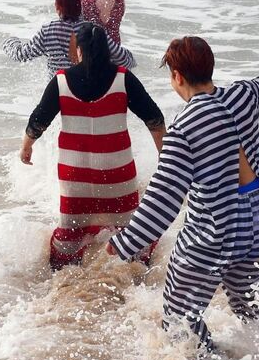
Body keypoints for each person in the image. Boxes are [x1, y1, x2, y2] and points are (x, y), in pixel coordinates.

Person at [108, 37, 259, 352]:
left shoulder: (184, 128)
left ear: (177, 77)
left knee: (180, 319)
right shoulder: (245, 95)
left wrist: (125, 243)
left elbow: (164, 200)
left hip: (216, 230)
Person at [20, 23, 166, 271]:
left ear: (80, 51)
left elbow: (38, 119)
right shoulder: (123, 78)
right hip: (116, 175)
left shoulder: (61, 81)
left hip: (74, 178)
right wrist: (165, 154)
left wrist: (27, 147)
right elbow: (154, 119)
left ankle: (61, 279)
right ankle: (136, 278)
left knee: (69, 237)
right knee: (132, 234)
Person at [3, 0, 136, 79]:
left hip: (59, 97)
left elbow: (21, 55)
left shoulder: (48, 31)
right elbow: (126, 60)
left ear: (57, 6)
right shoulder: (93, 30)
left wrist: (9, 41)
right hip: (89, 94)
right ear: (79, 4)